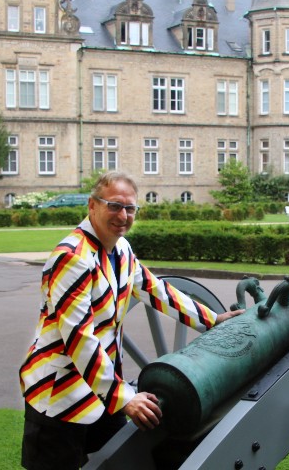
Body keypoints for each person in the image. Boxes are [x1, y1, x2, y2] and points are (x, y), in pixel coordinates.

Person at [19, 171, 243, 470]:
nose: (123, 215)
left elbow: (156, 290)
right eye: (114, 205)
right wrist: (124, 398)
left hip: (102, 391)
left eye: (130, 208)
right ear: (92, 205)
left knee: (119, 462)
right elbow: (78, 337)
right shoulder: (72, 257)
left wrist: (212, 319)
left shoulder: (121, 249)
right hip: (60, 393)